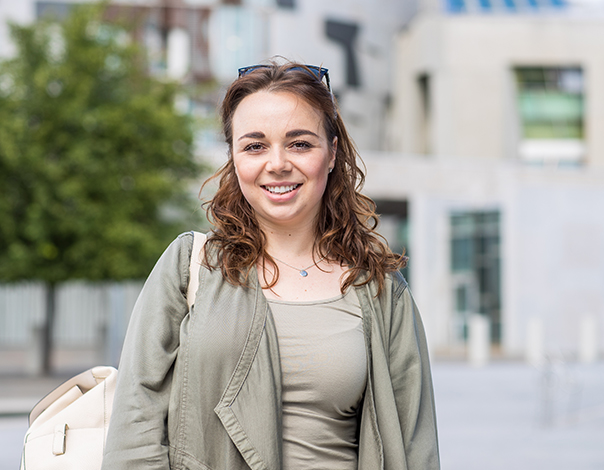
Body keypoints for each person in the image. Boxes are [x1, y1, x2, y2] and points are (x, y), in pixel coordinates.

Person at [101, 61, 440, 470]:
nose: (277, 163)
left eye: (299, 143)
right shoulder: (191, 267)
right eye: (254, 146)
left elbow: (415, 446)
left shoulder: (381, 288)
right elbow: (134, 433)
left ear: (332, 154)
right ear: (234, 158)